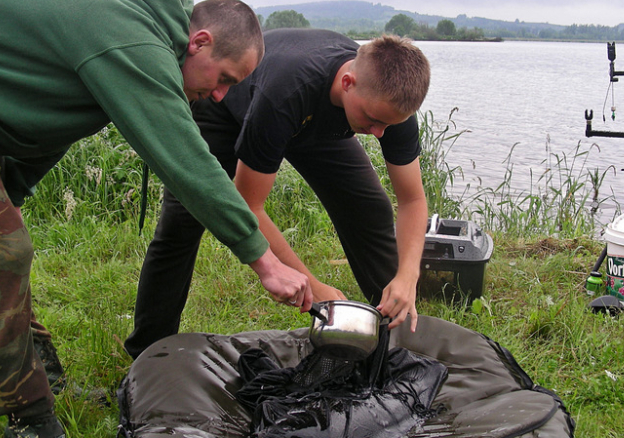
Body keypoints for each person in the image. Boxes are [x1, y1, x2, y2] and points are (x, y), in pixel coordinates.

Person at [0, 0, 310, 438]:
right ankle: (31, 431)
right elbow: (185, 159)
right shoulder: (133, 42)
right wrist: (264, 261)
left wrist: (13, 191)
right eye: (224, 79)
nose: (219, 96)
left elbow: (48, 118)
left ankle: (44, 380)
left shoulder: (130, 38)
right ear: (200, 41)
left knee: (1, 242)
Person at [127, 28, 431, 360]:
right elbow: (249, 206)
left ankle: (393, 333)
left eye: (388, 125)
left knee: (369, 209)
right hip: (232, 111)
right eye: (373, 121)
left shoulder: (390, 104)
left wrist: (408, 276)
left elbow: (412, 199)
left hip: (322, 119)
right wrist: (316, 290)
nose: (378, 134)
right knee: (181, 225)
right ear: (347, 83)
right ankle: (148, 350)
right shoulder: (285, 93)